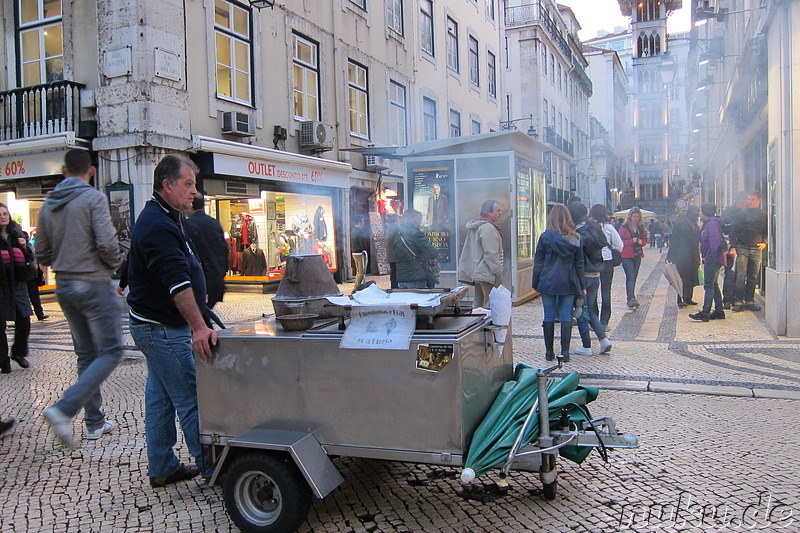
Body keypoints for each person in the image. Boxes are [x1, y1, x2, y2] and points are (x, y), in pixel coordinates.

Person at [127, 155, 217, 488]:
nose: (194, 191)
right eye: (188, 183)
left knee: (161, 397)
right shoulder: (157, 223)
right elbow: (176, 282)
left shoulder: (166, 217)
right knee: (190, 396)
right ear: (167, 185)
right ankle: (212, 468)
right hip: (161, 328)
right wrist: (198, 326)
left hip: (156, 323)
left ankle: (162, 465)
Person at [35, 149, 123, 448]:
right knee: (111, 350)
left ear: (63, 170)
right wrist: (110, 265)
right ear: (92, 171)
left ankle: (95, 422)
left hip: (63, 285)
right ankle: (64, 409)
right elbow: (108, 243)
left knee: (86, 354)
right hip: (92, 282)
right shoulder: (93, 199)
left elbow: (42, 253)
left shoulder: (48, 204)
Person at [532, 204, 584, 362]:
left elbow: (538, 262)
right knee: (566, 315)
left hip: (548, 281)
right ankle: (565, 352)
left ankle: (549, 352)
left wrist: (536, 283)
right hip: (568, 281)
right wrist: (581, 286)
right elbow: (579, 264)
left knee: (548, 315)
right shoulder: (576, 239)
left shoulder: (545, 237)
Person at [568, 202, 612, 356]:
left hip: (583, 275)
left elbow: (576, 257)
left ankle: (587, 345)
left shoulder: (578, 233)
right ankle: (603, 339)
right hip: (596, 274)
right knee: (590, 309)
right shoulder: (595, 228)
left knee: (581, 310)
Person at [0, 204, 33, 373]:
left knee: (25, 319)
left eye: (5, 213)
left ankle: (18, 353)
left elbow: (29, 258)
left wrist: (25, 247)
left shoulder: (17, 234)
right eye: (0, 214)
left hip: (19, 284)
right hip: (1, 285)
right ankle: (3, 360)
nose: (3, 217)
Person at [183, 194, 228, 308]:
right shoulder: (214, 223)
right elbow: (225, 250)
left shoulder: (189, 225)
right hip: (217, 280)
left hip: (201, 281)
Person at [457, 200, 504, 307]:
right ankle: (488, 323)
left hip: (479, 272)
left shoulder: (477, 226)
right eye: (498, 210)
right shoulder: (488, 228)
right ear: (489, 213)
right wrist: (498, 272)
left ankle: (474, 321)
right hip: (487, 272)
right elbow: (491, 254)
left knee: (478, 302)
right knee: (490, 303)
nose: (501, 213)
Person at [730, 191, 767, 312]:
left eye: (753, 199)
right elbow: (733, 231)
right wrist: (733, 246)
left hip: (757, 248)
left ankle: (750, 300)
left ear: (759, 200)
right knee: (741, 276)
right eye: (749, 199)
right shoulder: (741, 214)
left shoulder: (763, 215)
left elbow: (767, 231)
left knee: (753, 276)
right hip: (743, 248)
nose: (750, 202)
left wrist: (765, 242)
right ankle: (738, 301)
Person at [690, 203, 727, 322]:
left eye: (701, 211)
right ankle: (719, 311)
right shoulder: (709, 224)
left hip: (713, 259)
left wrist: (708, 257)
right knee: (714, 285)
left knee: (708, 286)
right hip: (714, 258)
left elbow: (714, 243)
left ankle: (705, 312)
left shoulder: (712, 224)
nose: (699, 213)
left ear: (705, 212)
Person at [590, 204, 623, 329]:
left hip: (592, 262)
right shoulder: (609, 227)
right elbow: (619, 245)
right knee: (606, 291)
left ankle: (594, 321)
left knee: (592, 292)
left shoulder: (588, 228)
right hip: (607, 261)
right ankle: (604, 321)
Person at [393, 209, 438, 289]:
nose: (421, 223)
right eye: (420, 220)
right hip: (416, 278)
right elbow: (432, 252)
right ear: (415, 220)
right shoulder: (416, 234)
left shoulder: (398, 235)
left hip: (401, 279)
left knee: (406, 301)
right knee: (419, 301)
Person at [666, 206, 701, 307]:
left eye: (697, 215)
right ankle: (680, 299)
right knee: (680, 278)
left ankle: (688, 298)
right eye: (694, 215)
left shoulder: (696, 226)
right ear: (688, 214)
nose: (696, 217)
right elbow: (674, 240)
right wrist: (671, 255)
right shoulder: (680, 225)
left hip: (693, 255)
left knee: (691, 277)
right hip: (681, 255)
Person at [721, 191, 748, 309]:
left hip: (743, 246)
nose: (745, 204)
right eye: (743, 201)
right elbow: (725, 230)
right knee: (730, 273)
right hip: (731, 247)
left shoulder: (747, 213)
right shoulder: (729, 213)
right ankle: (727, 300)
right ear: (738, 200)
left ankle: (738, 299)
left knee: (741, 275)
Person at [618, 207, 648, 309]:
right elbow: (619, 241)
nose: (636, 218)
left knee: (634, 277)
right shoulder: (624, 227)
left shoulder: (641, 228)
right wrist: (631, 241)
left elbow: (644, 240)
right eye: (634, 216)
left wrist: (641, 242)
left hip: (637, 254)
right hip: (626, 255)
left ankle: (631, 296)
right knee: (630, 276)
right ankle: (631, 298)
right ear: (630, 216)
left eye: (637, 217)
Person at [22, 232, 47, 320]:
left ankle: (39, 314)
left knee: (34, 297)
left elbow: (34, 260)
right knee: (25, 297)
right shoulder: (19, 248)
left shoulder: (29, 248)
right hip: (24, 277)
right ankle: (23, 316)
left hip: (32, 276)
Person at [384, 214, 400, 289]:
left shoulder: (388, 228)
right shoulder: (396, 228)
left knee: (393, 271)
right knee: (395, 272)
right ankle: (395, 288)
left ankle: (393, 287)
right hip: (395, 254)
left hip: (390, 254)